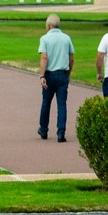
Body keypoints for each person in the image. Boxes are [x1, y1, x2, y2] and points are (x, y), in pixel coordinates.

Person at [36, 14, 74, 143]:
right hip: (63, 73)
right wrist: (68, 72)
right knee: (62, 104)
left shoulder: (45, 39)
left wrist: (42, 75)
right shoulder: (67, 38)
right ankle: (61, 132)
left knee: (46, 102)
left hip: (50, 74)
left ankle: (43, 129)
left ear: (48, 25)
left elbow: (44, 57)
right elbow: (71, 58)